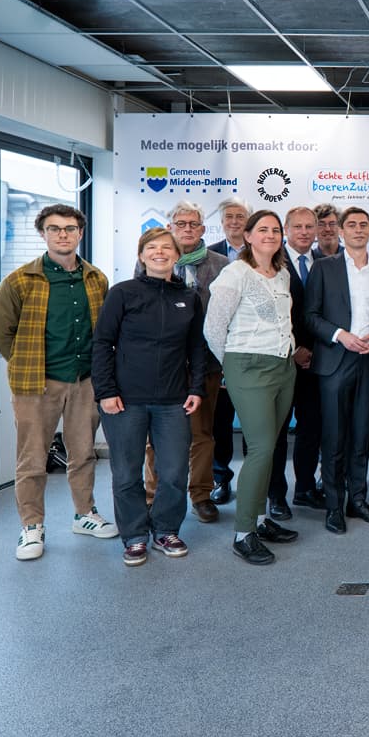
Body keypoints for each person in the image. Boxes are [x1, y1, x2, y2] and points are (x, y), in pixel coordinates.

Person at [0, 203, 116, 560]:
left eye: (70, 228)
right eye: (55, 228)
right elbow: (0, 331)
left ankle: (84, 514)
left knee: (83, 453)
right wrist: (26, 362)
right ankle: (32, 526)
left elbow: (104, 329)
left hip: (85, 381)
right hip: (37, 384)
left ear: (80, 233)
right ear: (43, 233)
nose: (63, 234)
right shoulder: (19, 281)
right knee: (32, 459)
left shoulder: (96, 279)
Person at [93, 227, 207, 566]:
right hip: (125, 400)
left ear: (177, 255)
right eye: (152, 248)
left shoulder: (189, 297)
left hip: (173, 400)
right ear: (142, 256)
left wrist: (196, 388)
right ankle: (134, 536)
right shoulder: (123, 293)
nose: (160, 253)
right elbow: (101, 343)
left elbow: (196, 348)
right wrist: (105, 391)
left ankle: (166, 530)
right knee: (127, 473)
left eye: (166, 248)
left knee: (173, 472)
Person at [203, 210, 300, 565]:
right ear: (247, 236)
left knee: (271, 446)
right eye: (263, 230)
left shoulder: (282, 274)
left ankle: (260, 520)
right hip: (248, 367)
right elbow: (213, 328)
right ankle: (243, 533)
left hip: (282, 366)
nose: (271, 235)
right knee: (260, 448)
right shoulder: (234, 274)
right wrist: (231, 366)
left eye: (275, 230)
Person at [305, 207, 369, 535]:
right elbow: (310, 315)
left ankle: (357, 499)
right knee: (334, 438)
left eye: (364, 225)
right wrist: (339, 334)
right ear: (341, 232)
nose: (358, 230)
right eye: (352, 225)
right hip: (334, 362)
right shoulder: (324, 269)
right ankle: (334, 505)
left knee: (361, 435)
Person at [146, 201, 229, 523]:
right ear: (170, 228)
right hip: (161, 367)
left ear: (203, 229)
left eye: (194, 224)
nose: (187, 229)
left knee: (202, 435)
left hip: (205, 365)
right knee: (157, 438)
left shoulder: (221, 265)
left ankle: (201, 495)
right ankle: (153, 496)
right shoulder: (153, 262)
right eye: (181, 224)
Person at [283, 205, 326, 513]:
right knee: (276, 432)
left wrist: (315, 351)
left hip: (318, 361)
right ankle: (274, 496)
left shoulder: (326, 263)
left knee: (312, 428)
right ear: (286, 230)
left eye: (309, 227)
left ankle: (306, 488)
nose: (304, 232)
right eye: (297, 227)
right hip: (282, 361)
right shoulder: (272, 262)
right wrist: (294, 349)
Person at [208, 197, 249, 508]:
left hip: (253, 353)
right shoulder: (210, 257)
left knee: (254, 424)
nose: (235, 222)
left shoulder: (266, 254)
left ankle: (254, 479)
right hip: (220, 356)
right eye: (229, 217)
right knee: (220, 425)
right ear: (221, 222)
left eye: (240, 217)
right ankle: (221, 479)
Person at [207, 196, 250, 261]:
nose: (234, 221)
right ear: (222, 221)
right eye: (229, 217)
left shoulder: (260, 249)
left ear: (249, 221)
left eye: (240, 216)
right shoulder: (209, 253)